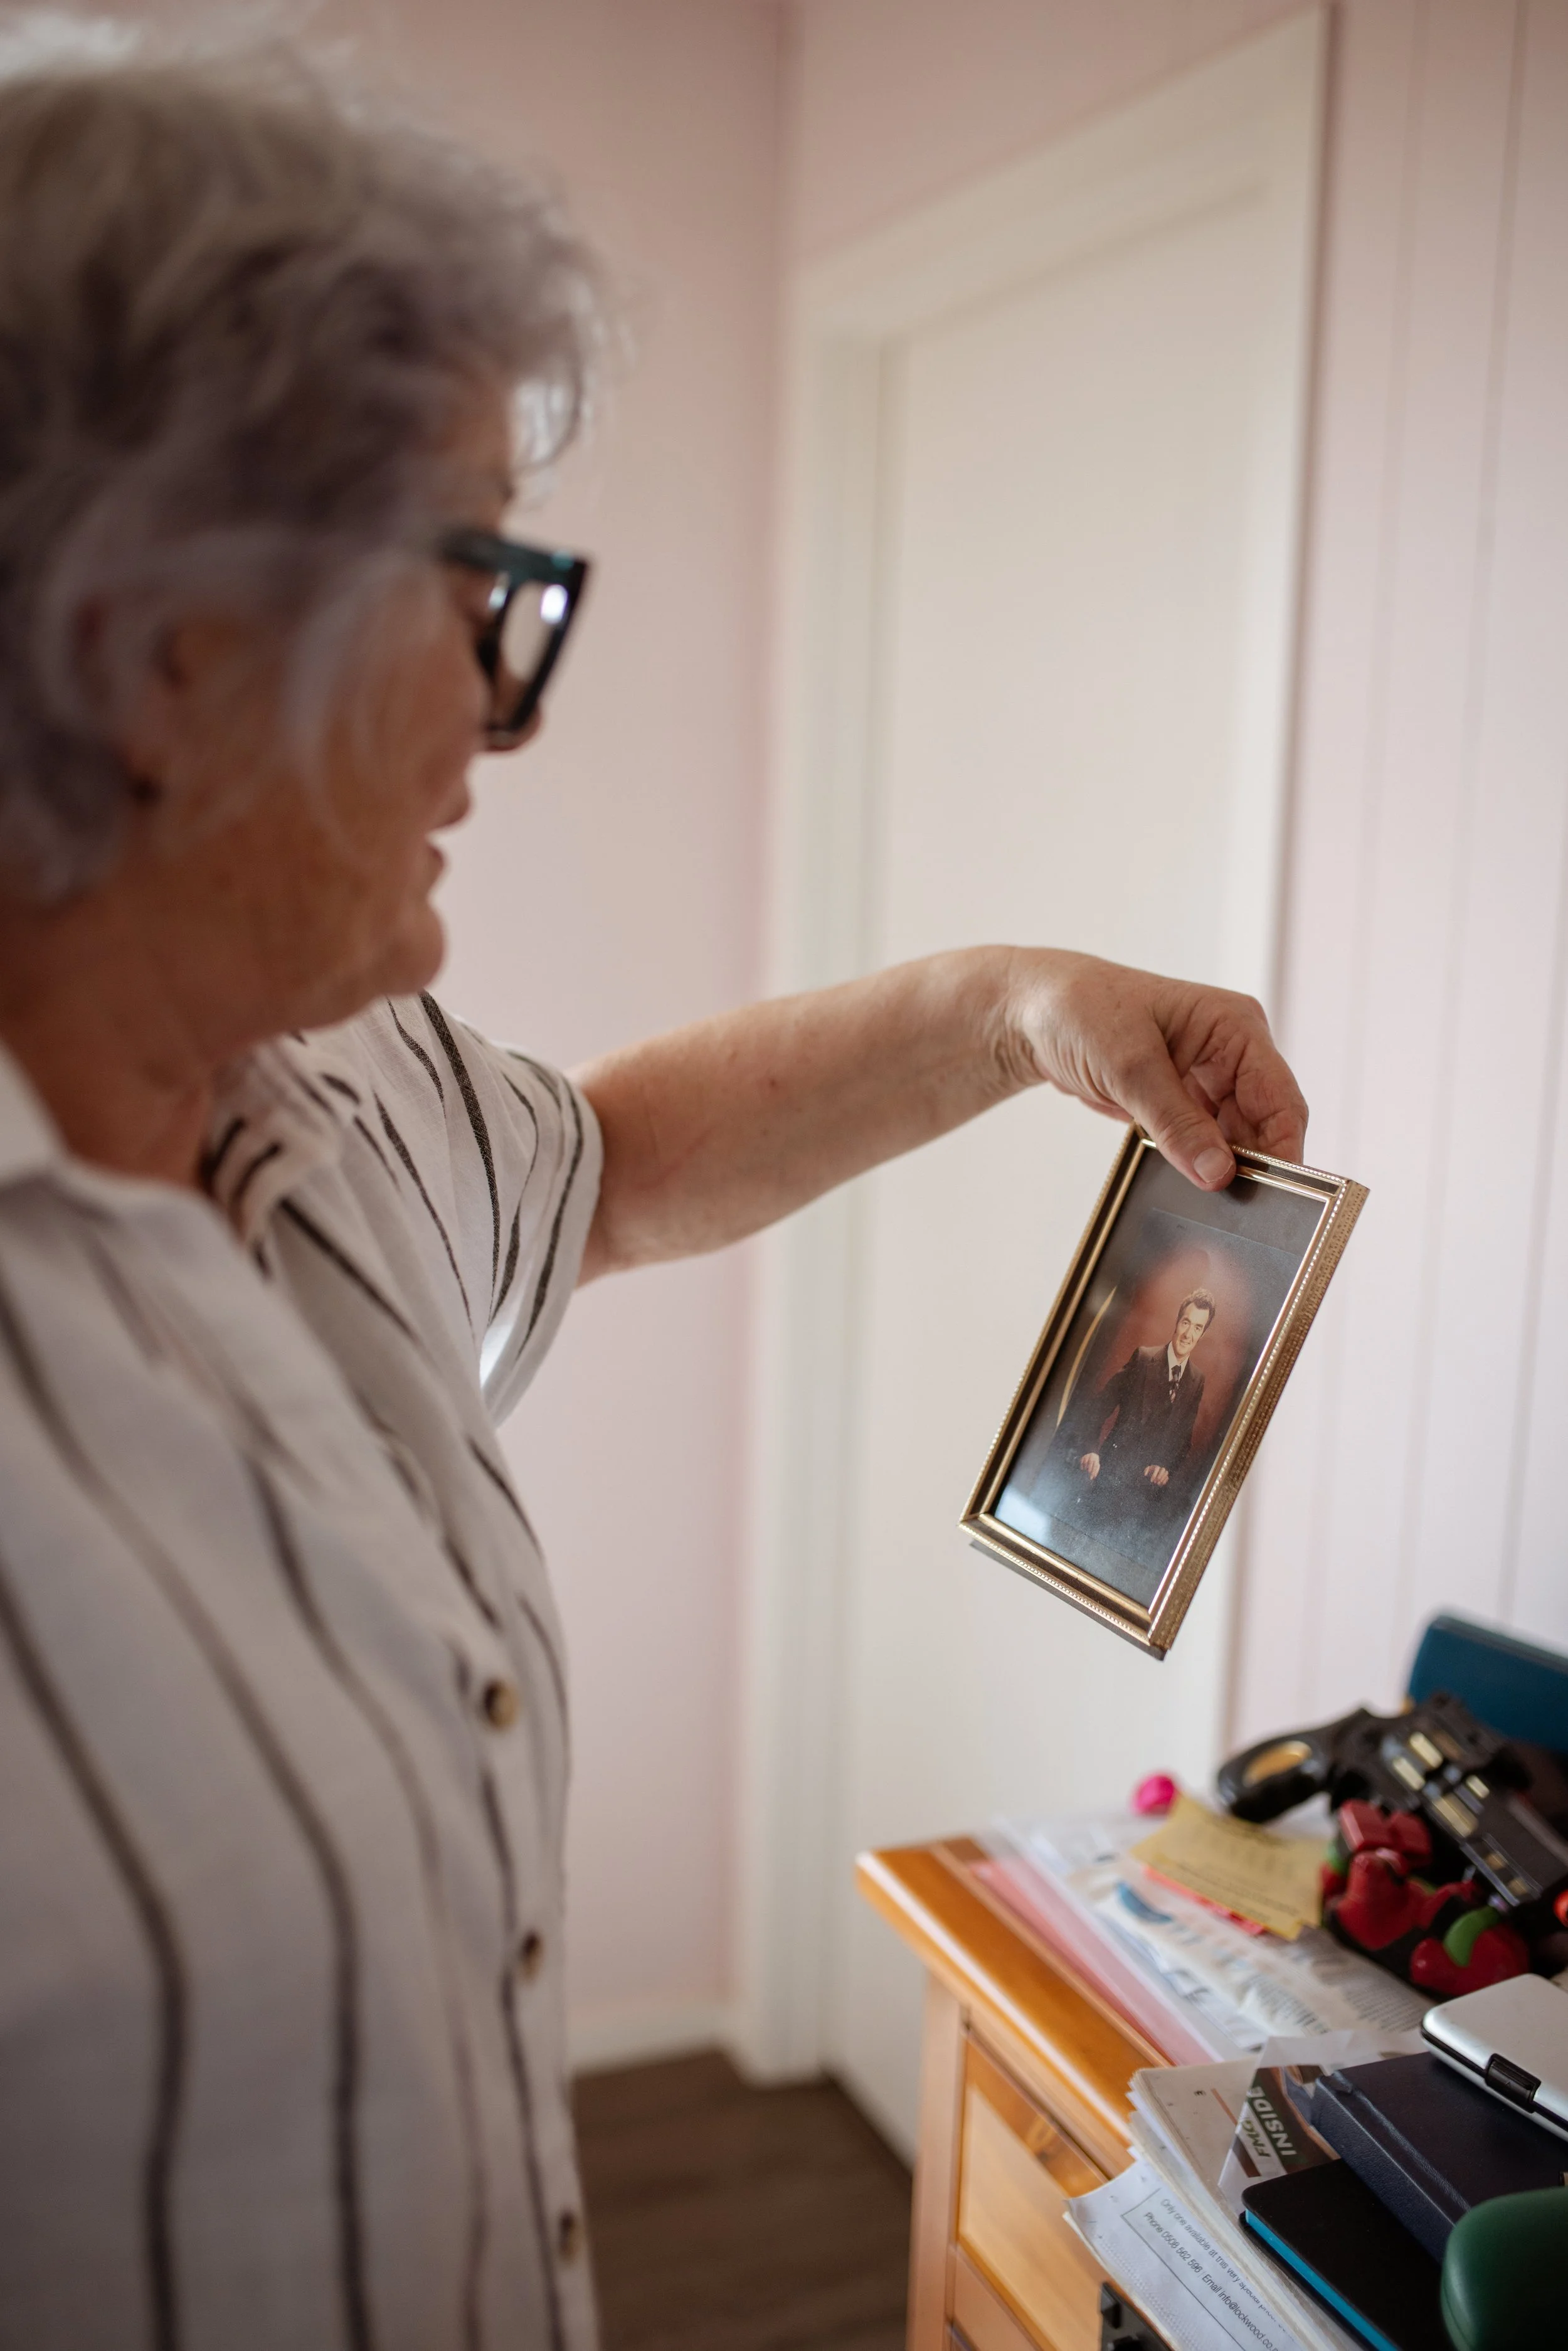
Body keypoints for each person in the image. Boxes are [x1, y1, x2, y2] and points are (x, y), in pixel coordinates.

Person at [0, 22, 1309, 2349]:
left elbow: (599, 1160)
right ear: (157, 649)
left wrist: (1012, 1008)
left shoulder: (327, 1079)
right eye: (474, 579)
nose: (511, 709)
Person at [1069, 1288, 1217, 1526]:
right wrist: (1091, 1450)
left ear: (1202, 1334)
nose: (1188, 1334)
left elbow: (1183, 1441)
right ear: (1177, 1322)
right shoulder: (1143, 1359)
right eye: (1186, 1323)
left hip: (1146, 1502)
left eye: (1198, 1328)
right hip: (1109, 1481)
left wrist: (1166, 1468)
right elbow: (1097, 1408)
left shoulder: (1196, 1380)